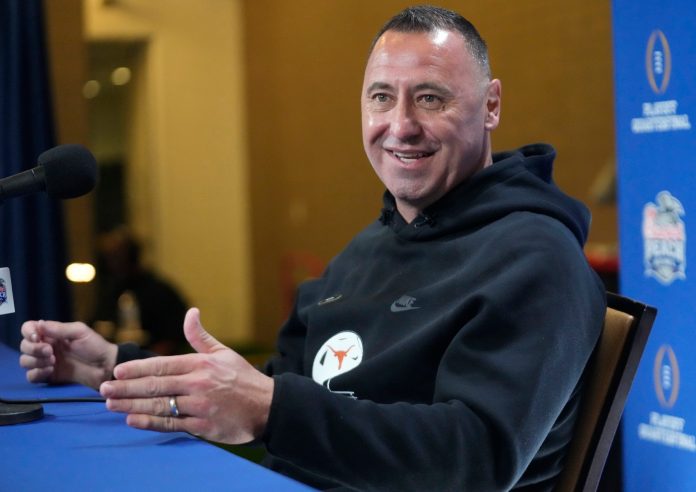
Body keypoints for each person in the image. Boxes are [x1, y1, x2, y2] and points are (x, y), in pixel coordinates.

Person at [18, 6, 605, 491]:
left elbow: (477, 459)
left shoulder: (535, 257)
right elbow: (283, 392)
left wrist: (271, 408)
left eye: (430, 98)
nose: (400, 125)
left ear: (491, 105)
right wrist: (116, 368)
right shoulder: (366, 249)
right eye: (381, 97)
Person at [91, 226, 188, 355]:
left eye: (117, 255)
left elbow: (173, 337)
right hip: (116, 365)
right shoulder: (111, 292)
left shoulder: (160, 292)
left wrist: (149, 362)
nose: (112, 262)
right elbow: (97, 326)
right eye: (109, 257)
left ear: (132, 256)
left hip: (156, 367)